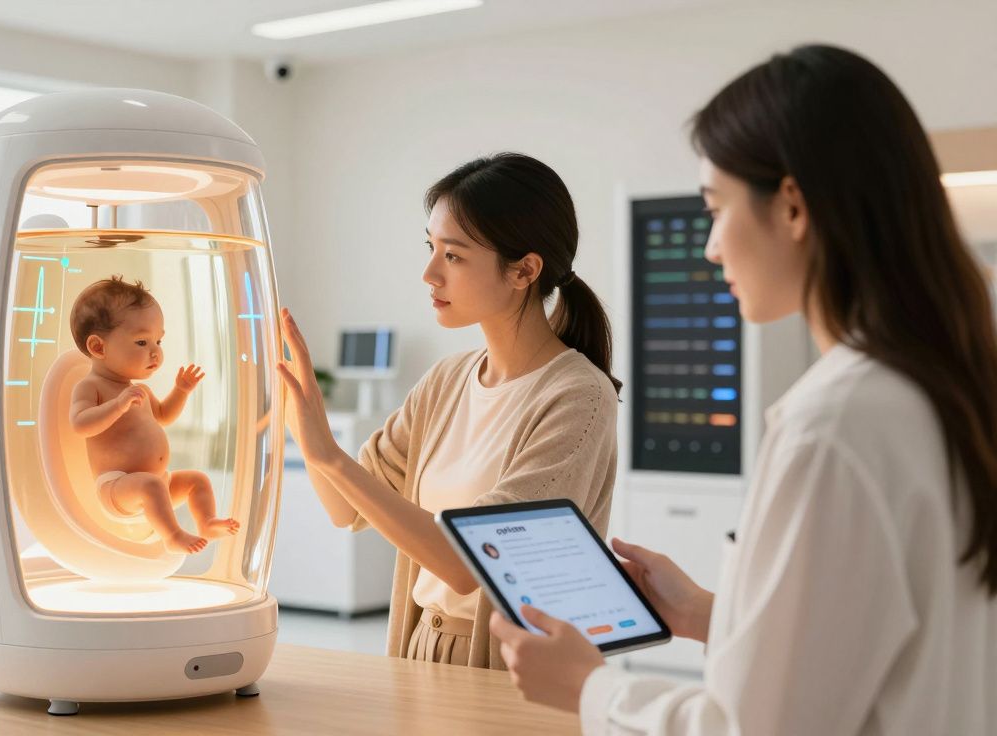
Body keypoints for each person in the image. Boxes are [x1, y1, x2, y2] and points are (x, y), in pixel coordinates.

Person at [490, 45, 997, 735]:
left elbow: (755, 728)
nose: (709, 247)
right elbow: (869, 643)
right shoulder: (945, 391)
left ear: (791, 206)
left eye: (716, 208)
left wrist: (590, 689)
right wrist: (708, 612)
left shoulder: (833, 427)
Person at [278, 153, 622, 668]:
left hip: (510, 669)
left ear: (524, 270)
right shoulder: (445, 381)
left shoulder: (578, 397)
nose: (429, 274)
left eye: (454, 256)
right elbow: (346, 511)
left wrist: (329, 455)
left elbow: (470, 564)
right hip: (420, 648)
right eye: (431, 248)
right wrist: (305, 429)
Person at [68, 275, 239, 555]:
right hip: (118, 487)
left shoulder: (140, 392)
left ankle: (206, 522)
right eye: (141, 342)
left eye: (158, 341)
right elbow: (80, 424)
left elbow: (164, 416)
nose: (156, 352)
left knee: (197, 480)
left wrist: (181, 391)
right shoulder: (91, 387)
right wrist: (117, 406)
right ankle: (172, 536)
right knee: (149, 485)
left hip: (158, 484)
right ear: (98, 347)